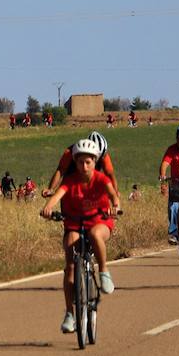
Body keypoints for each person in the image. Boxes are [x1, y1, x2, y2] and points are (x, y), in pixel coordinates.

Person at [40, 137, 120, 334]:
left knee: (94, 234)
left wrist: (116, 208)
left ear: (95, 162)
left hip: (99, 220)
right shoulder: (70, 181)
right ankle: (69, 314)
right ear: (74, 162)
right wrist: (48, 207)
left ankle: (103, 271)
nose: (84, 166)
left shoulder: (101, 179)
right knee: (69, 266)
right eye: (80, 162)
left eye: (88, 162)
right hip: (74, 222)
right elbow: (58, 195)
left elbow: (114, 196)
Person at [42, 131, 115, 199]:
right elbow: (61, 170)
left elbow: (110, 174)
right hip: (70, 184)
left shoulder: (103, 155)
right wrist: (51, 189)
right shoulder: (70, 152)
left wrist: (115, 194)